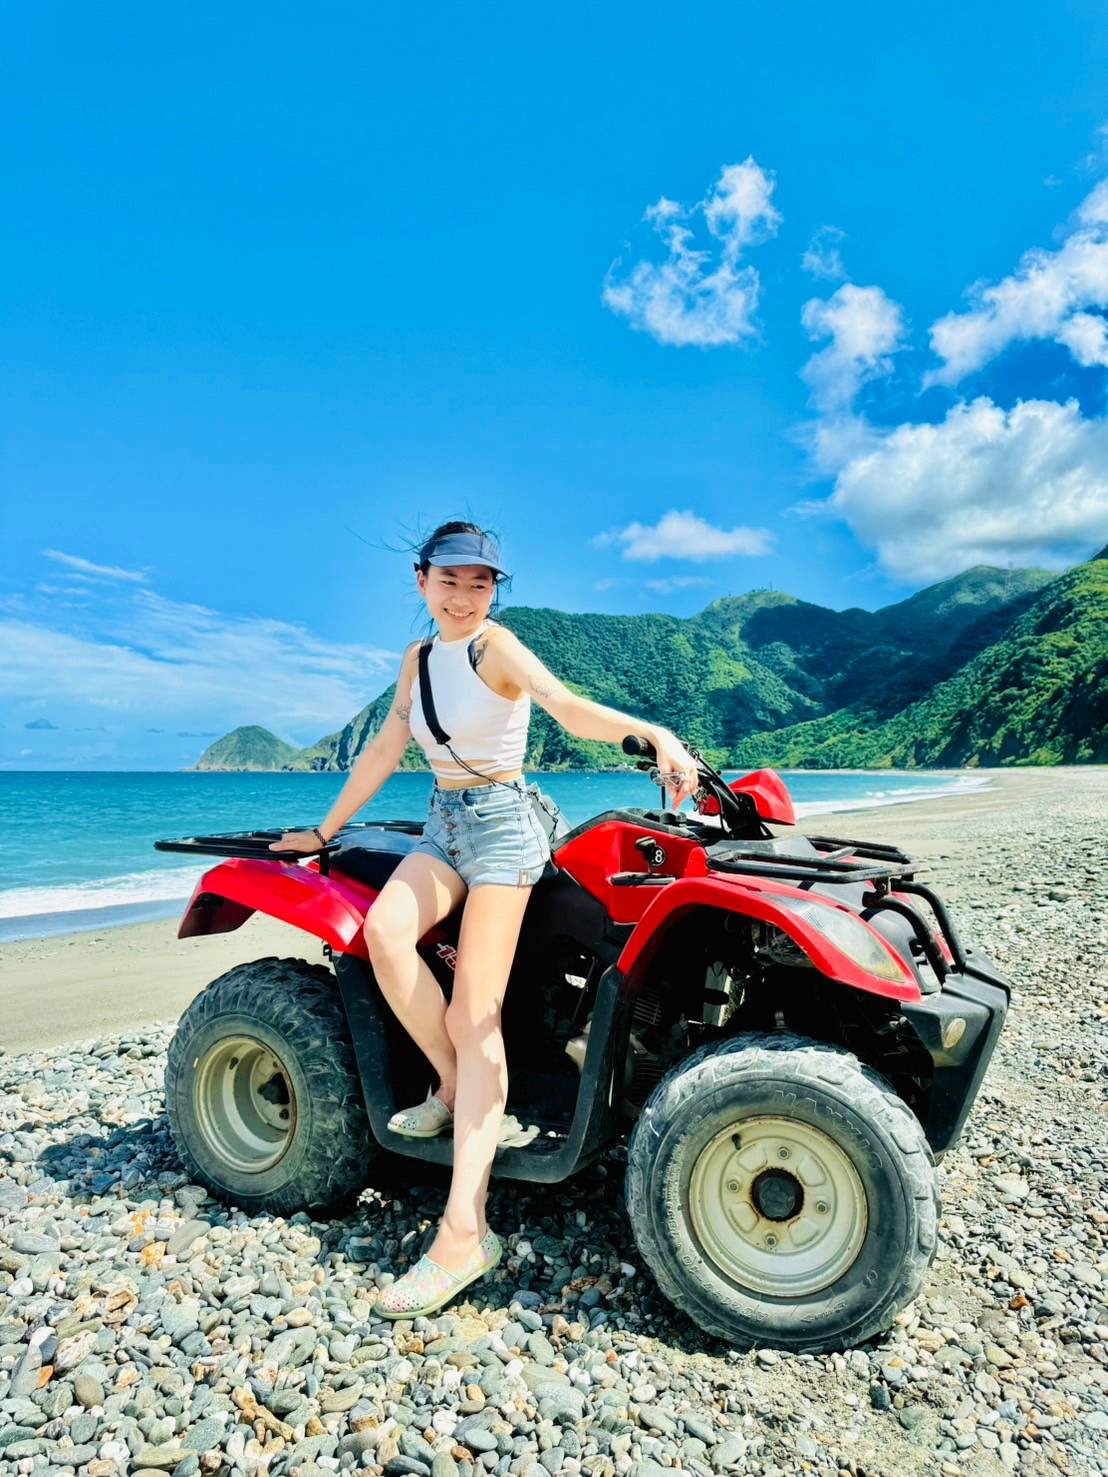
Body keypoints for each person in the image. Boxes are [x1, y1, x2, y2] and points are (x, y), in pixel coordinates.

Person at [270, 520, 700, 1317]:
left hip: (504, 827)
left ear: (494, 589)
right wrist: (325, 833)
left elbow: (567, 709)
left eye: (482, 582)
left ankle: (465, 1231)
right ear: (421, 579)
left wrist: (656, 734)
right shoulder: (418, 660)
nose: (466, 596)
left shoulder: (493, 648)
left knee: (477, 1008)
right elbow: (385, 747)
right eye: (451, 580)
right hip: (445, 823)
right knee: (386, 935)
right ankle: (456, 1086)